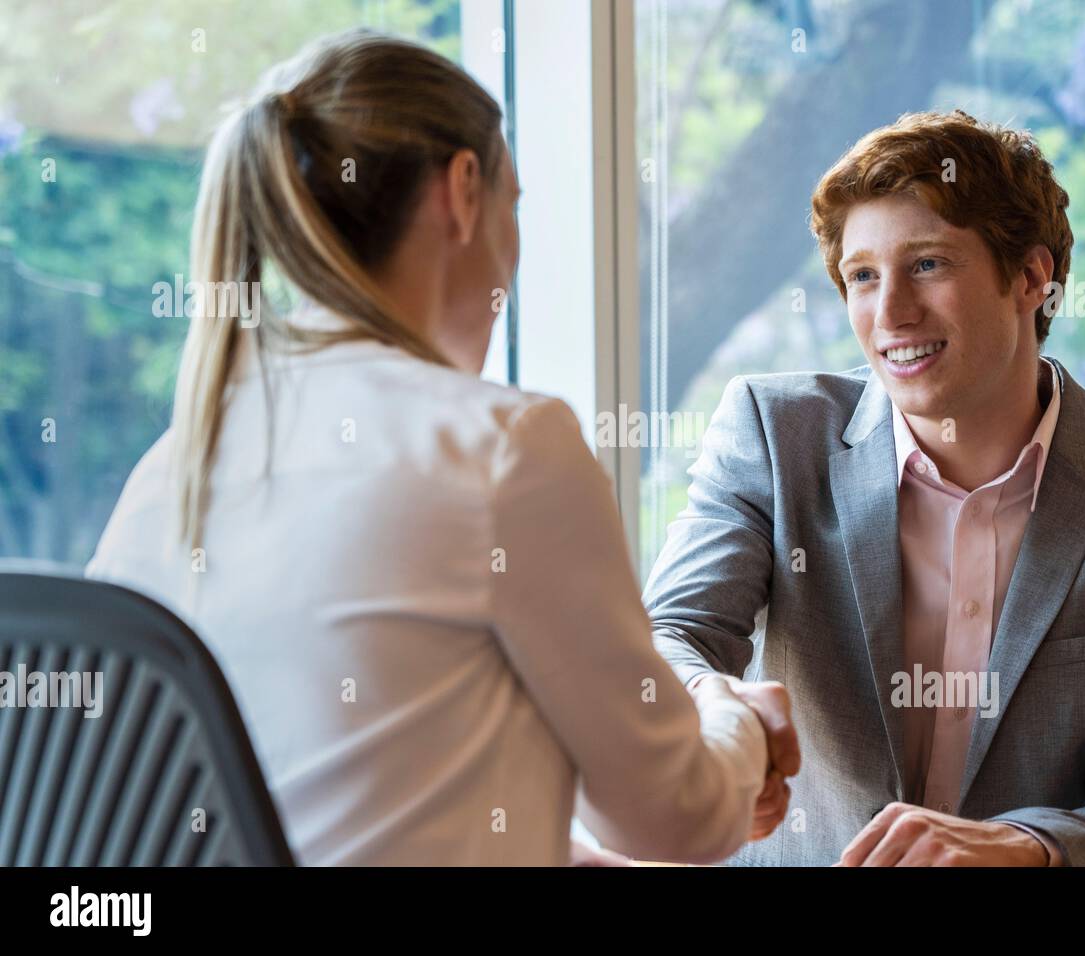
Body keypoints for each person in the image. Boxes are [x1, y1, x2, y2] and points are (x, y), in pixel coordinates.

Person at [86, 29, 796, 866]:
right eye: (514, 205)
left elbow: (355, 806)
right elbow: (676, 818)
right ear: (463, 192)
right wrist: (737, 722)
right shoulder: (502, 449)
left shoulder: (174, 465)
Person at [644, 109, 1085, 867]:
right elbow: (672, 635)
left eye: (927, 264)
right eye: (862, 276)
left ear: (1029, 277)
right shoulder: (773, 434)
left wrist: (1023, 847)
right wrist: (712, 707)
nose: (889, 314)